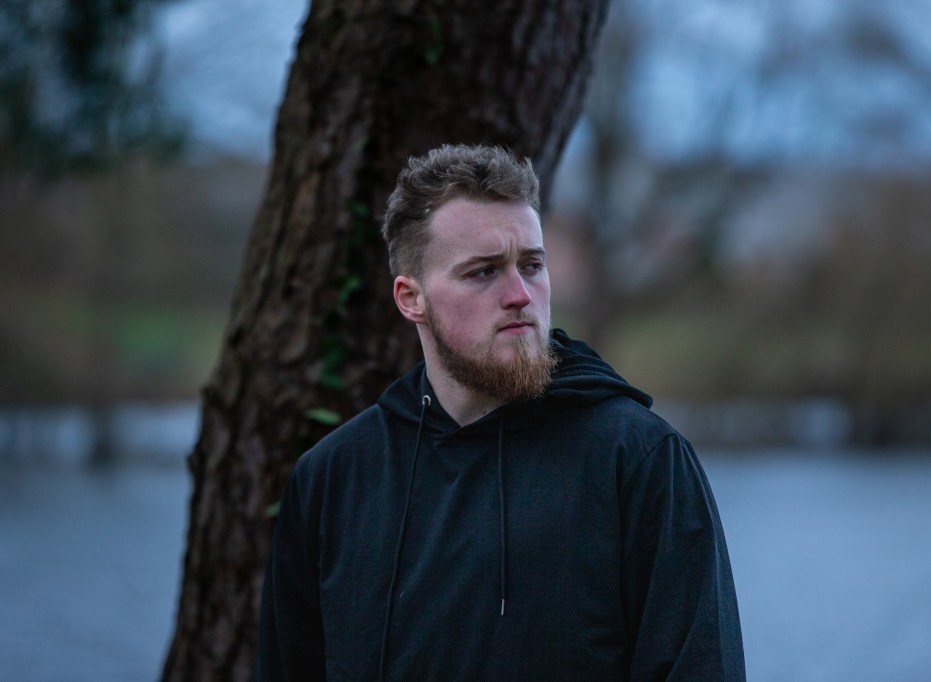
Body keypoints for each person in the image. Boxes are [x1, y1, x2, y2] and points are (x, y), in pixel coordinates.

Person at [256, 144, 745, 681]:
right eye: (483, 272)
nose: (519, 294)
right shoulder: (333, 479)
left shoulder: (637, 460)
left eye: (532, 266)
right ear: (410, 298)